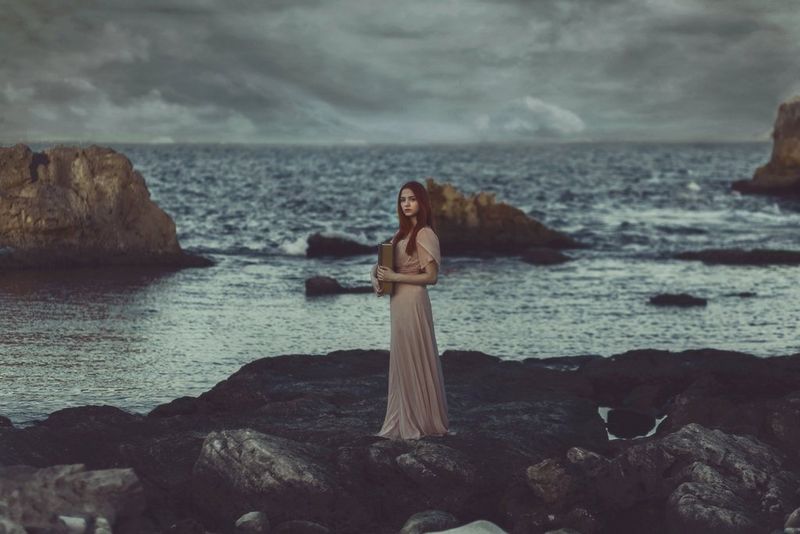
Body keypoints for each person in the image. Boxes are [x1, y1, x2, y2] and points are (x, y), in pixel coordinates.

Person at [370, 180, 449, 440]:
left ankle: (422, 420)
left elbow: (431, 277)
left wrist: (395, 276)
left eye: (412, 199)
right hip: (398, 302)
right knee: (403, 358)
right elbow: (391, 269)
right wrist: (379, 275)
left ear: (422, 203)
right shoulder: (399, 234)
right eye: (403, 199)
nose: (406, 204)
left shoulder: (425, 233)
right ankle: (402, 417)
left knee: (416, 354)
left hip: (414, 299)